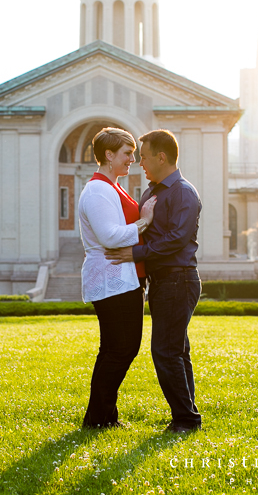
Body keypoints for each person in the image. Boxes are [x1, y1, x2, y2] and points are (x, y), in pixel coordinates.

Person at [105, 129, 203, 434]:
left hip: (179, 279)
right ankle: (186, 414)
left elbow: (176, 239)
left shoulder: (183, 192)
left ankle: (186, 420)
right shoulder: (151, 192)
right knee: (177, 350)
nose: (139, 163)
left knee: (166, 351)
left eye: (144, 157)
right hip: (161, 282)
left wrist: (135, 253)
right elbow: (145, 228)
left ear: (162, 157)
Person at [78, 127, 157, 428]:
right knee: (121, 348)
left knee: (116, 348)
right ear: (108, 155)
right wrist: (144, 222)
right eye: (127, 153)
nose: (132, 160)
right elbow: (110, 236)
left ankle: (103, 417)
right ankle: (98, 418)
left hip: (121, 278)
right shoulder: (98, 190)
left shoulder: (110, 186)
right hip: (111, 278)